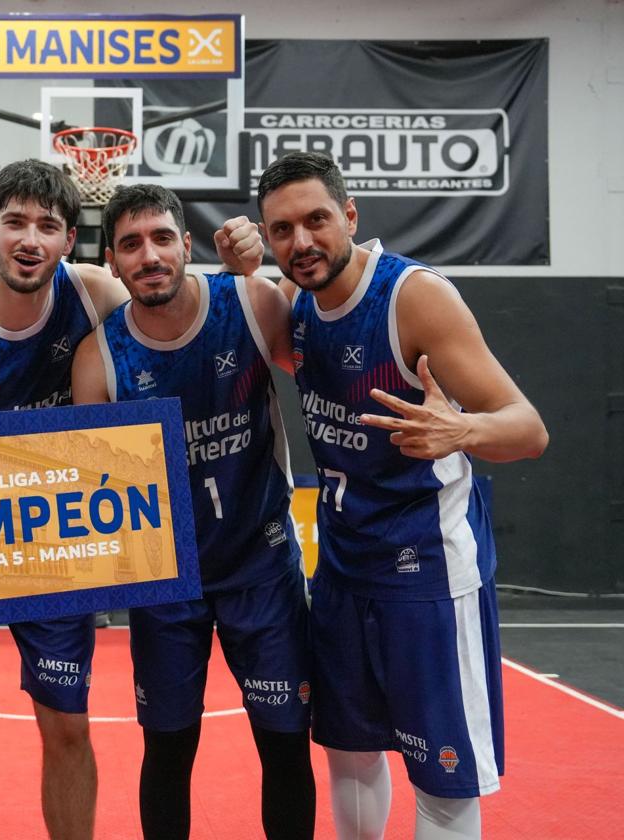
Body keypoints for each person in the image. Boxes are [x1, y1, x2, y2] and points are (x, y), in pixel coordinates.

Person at [0, 159, 263, 840]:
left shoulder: (93, 294)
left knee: (69, 725)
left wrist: (249, 267)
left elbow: (179, 297)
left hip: (51, 546)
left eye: (48, 226)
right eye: (16, 223)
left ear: (67, 239)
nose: (31, 239)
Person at [257, 151, 549, 839]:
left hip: (428, 569)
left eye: (317, 220)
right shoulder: (299, 304)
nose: (302, 242)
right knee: (349, 752)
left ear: (351, 216)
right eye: (282, 230)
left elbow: (529, 429)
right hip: (343, 564)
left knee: (441, 773)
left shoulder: (414, 296)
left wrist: (464, 429)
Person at [70, 184, 315, 840]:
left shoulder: (253, 301)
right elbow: (90, 486)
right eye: (130, 244)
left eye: (161, 238)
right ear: (112, 264)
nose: (148, 255)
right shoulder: (99, 358)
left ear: (186, 244)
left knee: (285, 743)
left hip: (260, 565)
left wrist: (271, 267)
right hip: (167, 581)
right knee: (169, 750)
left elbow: (322, 359)